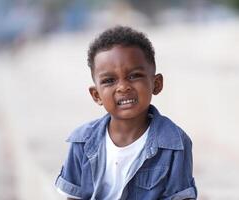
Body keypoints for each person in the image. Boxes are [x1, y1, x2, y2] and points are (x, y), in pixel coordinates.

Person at [55, 26, 197, 200]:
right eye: (109, 80)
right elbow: (73, 196)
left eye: (134, 76)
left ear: (156, 84)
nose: (123, 87)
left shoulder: (175, 143)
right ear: (96, 95)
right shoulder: (82, 141)